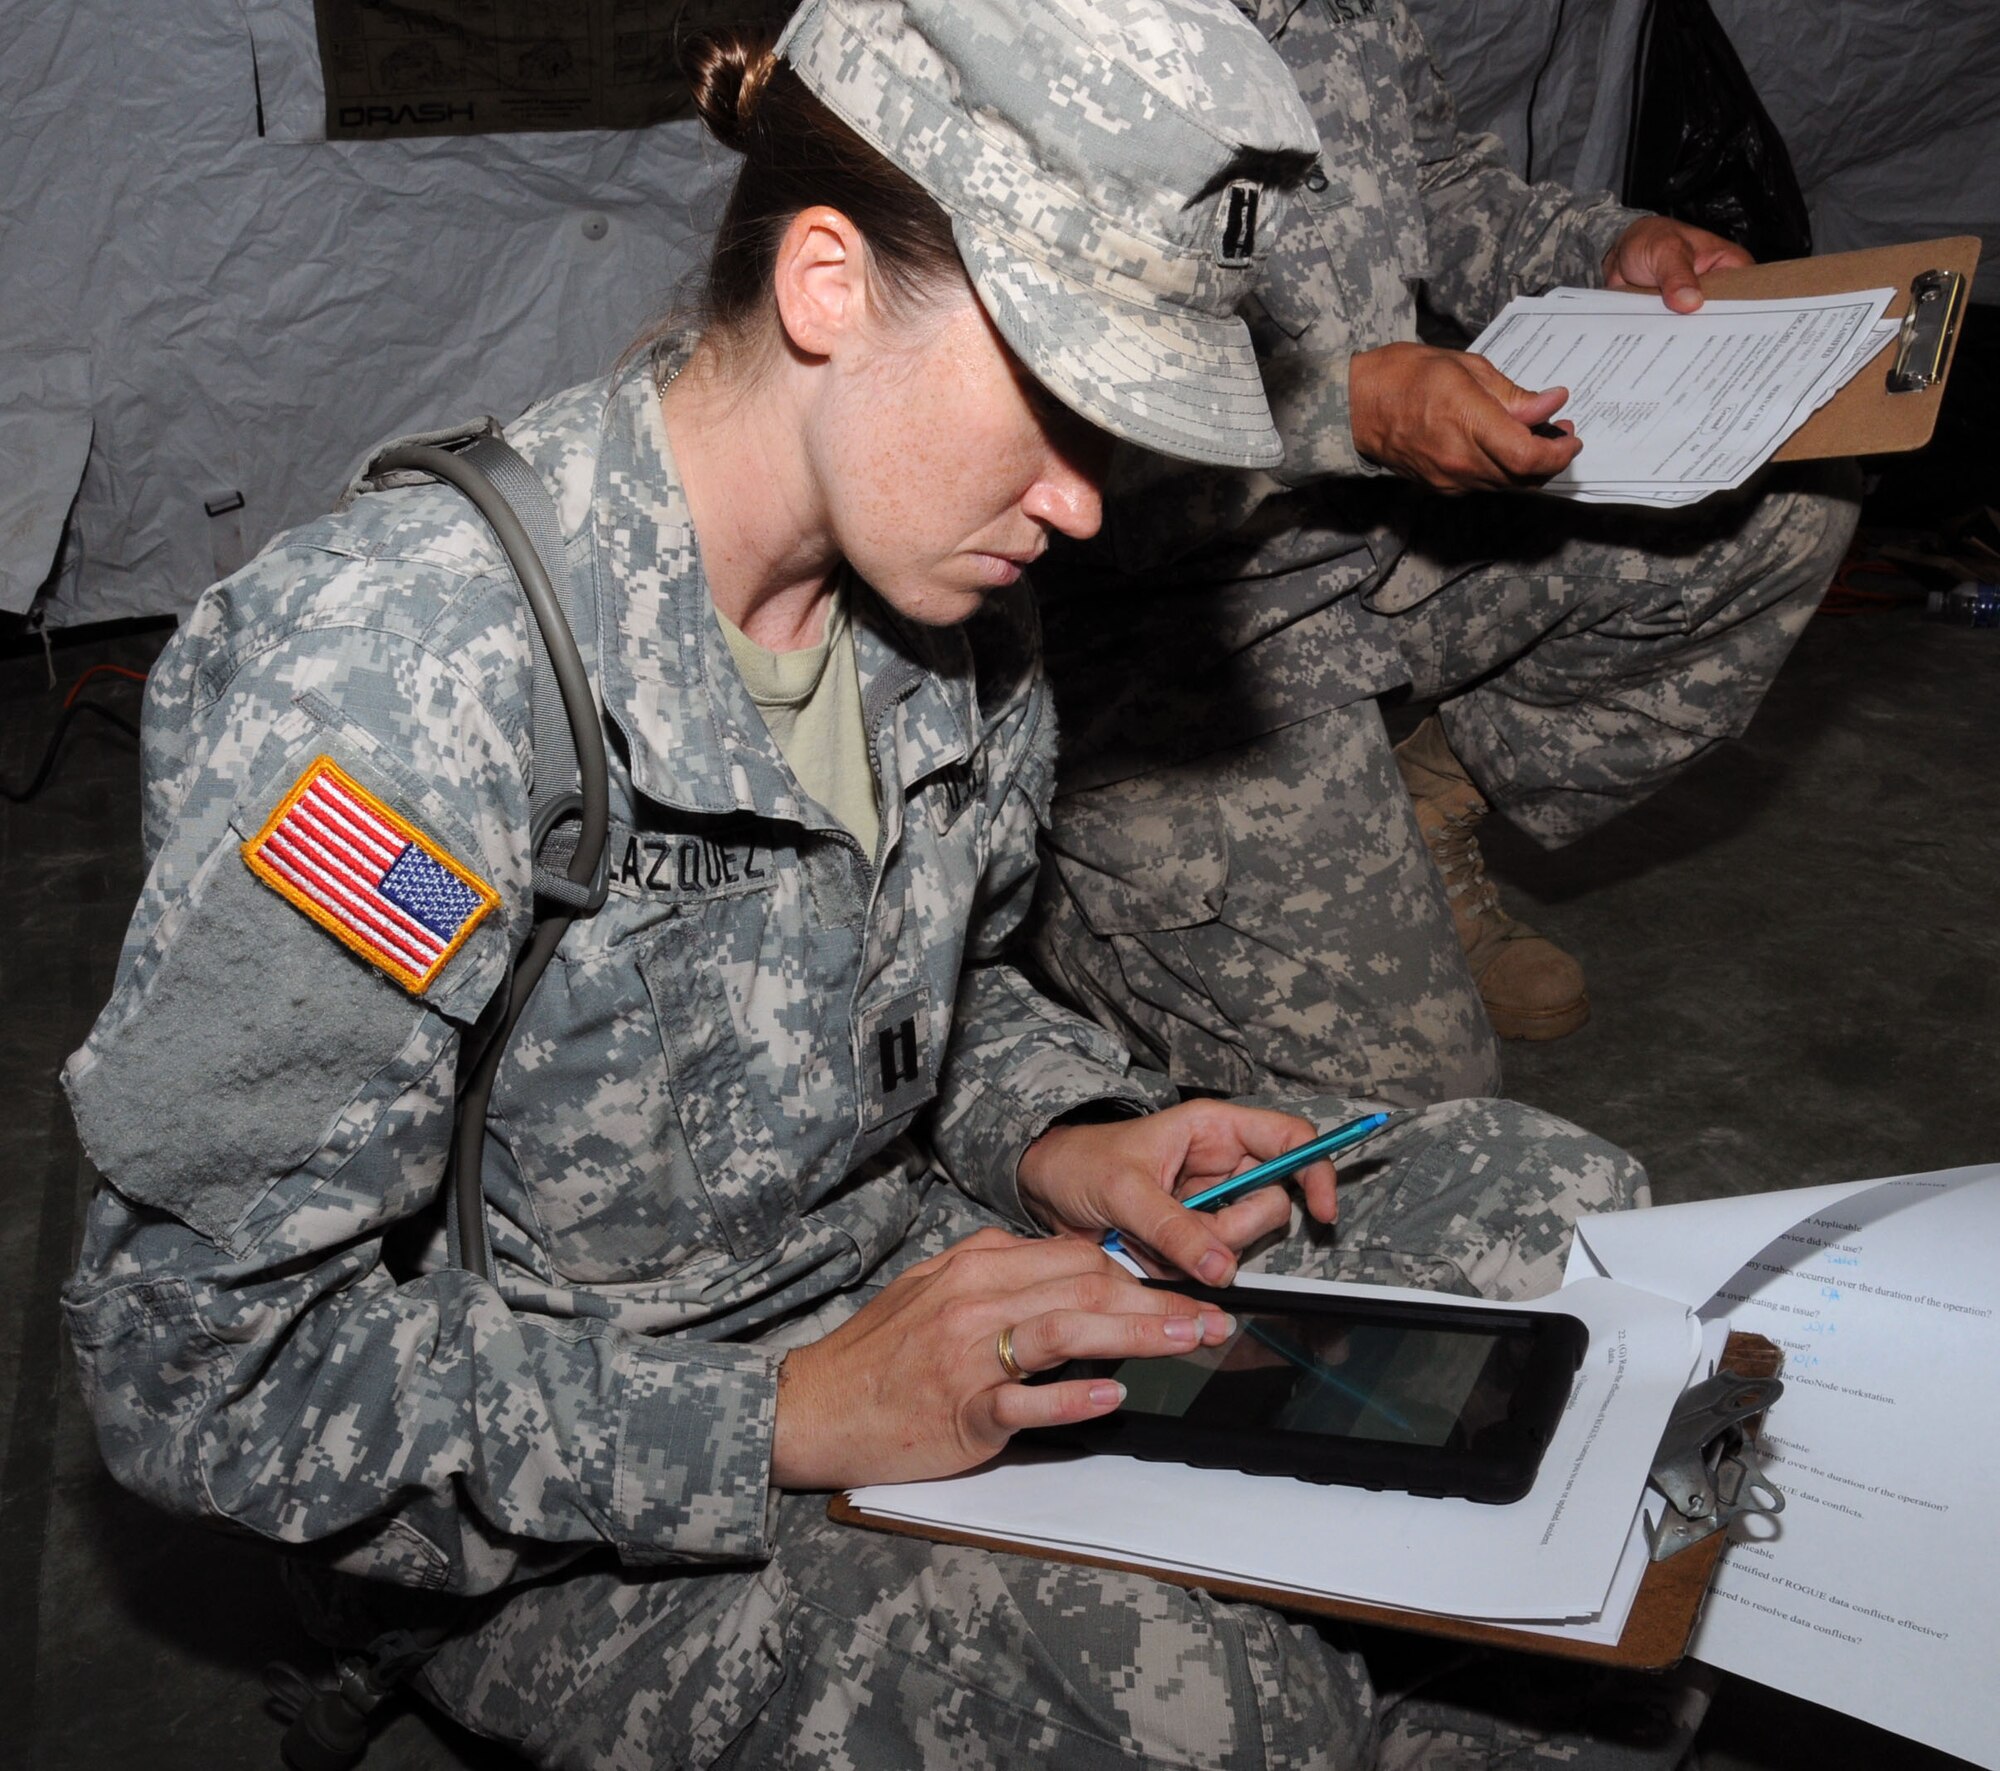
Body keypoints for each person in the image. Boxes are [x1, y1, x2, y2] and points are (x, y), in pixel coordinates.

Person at [64, 2, 1688, 1766]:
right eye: (1067, 402)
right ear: (826, 283)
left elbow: (939, 989)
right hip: (596, 1499)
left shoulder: (950, 591)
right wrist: (782, 1413)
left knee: (1571, 1251)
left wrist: (1072, 1128)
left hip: (917, 1280)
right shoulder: (399, 687)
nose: (1089, 503)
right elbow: (197, 1377)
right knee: (1198, 1707)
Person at [1024, 0, 1861, 1107]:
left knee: (1780, 503)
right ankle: (1049, 920)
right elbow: (1009, 417)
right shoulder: (1035, 31)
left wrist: (1602, 247)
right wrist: (1348, 412)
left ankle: (1418, 815)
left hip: (1371, 526)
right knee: (1406, 1115)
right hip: (1148, 630)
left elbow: (1444, 184)